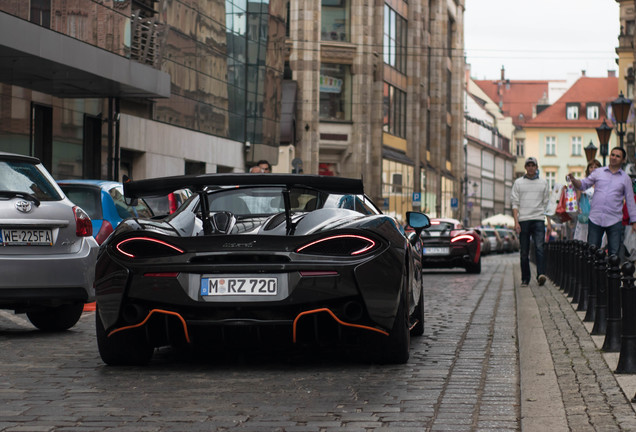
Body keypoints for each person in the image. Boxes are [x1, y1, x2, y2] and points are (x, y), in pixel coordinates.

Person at [568, 147, 636, 257]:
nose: (614, 158)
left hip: (614, 220)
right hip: (595, 219)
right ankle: (592, 275)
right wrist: (574, 180)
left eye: (617, 156)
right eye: (612, 155)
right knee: (592, 252)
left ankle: (609, 274)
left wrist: (634, 221)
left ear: (623, 160)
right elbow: (583, 184)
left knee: (614, 254)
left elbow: (630, 201)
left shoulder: (625, 178)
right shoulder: (599, 172)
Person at [511, 157, 553, 287]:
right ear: (525, 167)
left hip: (539, 219)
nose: (530, 167)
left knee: (540, 248)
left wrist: (549, 223)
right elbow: (515, 203)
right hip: (523, 220)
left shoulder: (543, 183)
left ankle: (541, 274)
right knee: (524, 251)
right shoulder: (518, 183)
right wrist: (516, 222)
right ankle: (525, 278)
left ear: (536, 167)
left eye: (532, 165)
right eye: (528, 165)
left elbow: (547, 204)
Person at [573, 159, 602, 242]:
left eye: (595, 167)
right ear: (588, 169)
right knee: (584, 240)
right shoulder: (584, 183)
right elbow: (577, 199)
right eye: (591, 167)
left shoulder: (602, 183)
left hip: (598, 216)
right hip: (585, 217)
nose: (593, 169)